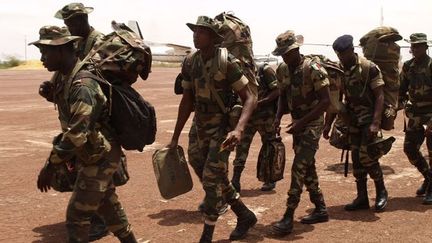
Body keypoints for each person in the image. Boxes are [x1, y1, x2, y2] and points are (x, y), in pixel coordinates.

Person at [32, 25, 137, 243]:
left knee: (77, 217)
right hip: (93, 152)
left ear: (61, 50)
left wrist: (49, 166)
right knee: (108, 206)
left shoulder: (83, 85)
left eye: (46, 51)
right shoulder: (66, 78)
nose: (42, 58)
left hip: (100, 156)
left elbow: (76, 134)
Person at [167, 16, 258, 242]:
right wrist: (175, 136)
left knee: (210, 179)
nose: (196, 35)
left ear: (213, 38)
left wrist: (238, 130)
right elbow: (187, 100)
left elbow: (250, 98)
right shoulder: (190, 62)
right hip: (199, 125)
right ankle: (244, 214)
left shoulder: (227, 62)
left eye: (201, 32)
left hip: (221, 128)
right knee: (201, 166)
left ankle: (207, 235)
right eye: (195, 31)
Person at [271, 30, 330, 236]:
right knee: (307, 165)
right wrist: (278, 117)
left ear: (296, 49)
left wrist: (301, 123)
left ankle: (288, 215)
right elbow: (282, 95)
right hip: (298, 123)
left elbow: (325, 102)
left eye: (288, 53)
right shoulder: (283, 69)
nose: (285, 57)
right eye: (282, 54)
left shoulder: (313, 68)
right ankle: (320, 207)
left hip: (312, 122)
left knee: (299, 167)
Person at [328, 34, 389, 212]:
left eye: (343, 54)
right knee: (356, 158)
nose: (341, 58)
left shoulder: (368, 67)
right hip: (352, 121)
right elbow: (337, 99)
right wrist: (328, 123)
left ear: (352, 50)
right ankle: (362, 197)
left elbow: (380, 95)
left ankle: (381, 192)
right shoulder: (340, 70)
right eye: (338, 55)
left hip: (369, 119)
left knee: (368, 156)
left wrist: (376, 123)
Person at [231, 62, 280, 192]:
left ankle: (269, 179)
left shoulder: (265, 70)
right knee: (241, 148)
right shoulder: (236, 71)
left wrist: (260, 103)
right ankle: (235, 179)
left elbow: (277, 90)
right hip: (247, 118)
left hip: (266, 117)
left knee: (269, 147)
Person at [399, 33, 432, 204]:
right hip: (415, 114)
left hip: (431, 115)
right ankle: (428, 177)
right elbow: (401, 89)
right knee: (410, 149)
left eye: (419, 45)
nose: (415, 48)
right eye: (413, 46)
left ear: (426, 47)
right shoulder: (407, 66)